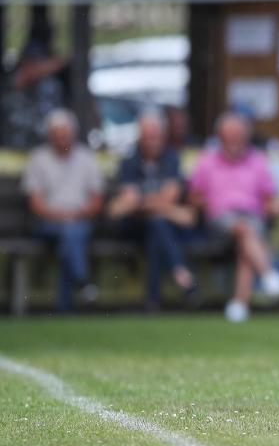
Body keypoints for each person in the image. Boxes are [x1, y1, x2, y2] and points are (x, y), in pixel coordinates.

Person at [189, 112, 279, 322]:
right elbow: (194, 198)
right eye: (229, 136)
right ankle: (268, 275)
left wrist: (278, 207)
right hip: (219, 222)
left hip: (253, 218)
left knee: (245, 238)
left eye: (238, 136)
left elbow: (269, 198)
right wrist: (211, 203)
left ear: (246, 137)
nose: (234, 141)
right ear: (220, 137)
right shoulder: (206, 162)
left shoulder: (258, 161)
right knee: (244, 231)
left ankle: (240, 305)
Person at [107, 111, 196, 310]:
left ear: (163, 137)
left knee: (157, 226)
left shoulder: (172, 158)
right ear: (140, 137)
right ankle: (181, 272)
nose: (152, 142)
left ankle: (152, 299)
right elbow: (129, 202)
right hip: (134, 227)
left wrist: (142, 201)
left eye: (156, 137)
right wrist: (161, 206)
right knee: (157, 223)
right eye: (148, 137)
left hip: (159, 226)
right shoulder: (130, 161)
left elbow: (167, 196)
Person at [22, 110, 103, 312]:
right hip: (47, 224)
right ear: (50, 135)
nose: (62, 139)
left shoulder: (86, 157)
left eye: (65, 134)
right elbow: (36, 205)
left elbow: (97, 201)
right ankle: (82, 282)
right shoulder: (38, 158)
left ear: (73, 134)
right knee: (70, 234)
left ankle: (65, 307)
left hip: (80, 221)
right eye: (57, 134)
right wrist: (64, 217)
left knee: (69, 238)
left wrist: (75, 216)